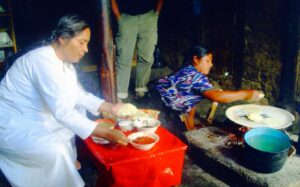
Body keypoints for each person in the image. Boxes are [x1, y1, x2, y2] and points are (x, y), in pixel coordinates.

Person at [0, 14, 130, 187]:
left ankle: (67, 166)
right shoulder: (41, 61)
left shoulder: (64, 65)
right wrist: (106, 133)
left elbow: (79, 95)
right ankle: (63, 176)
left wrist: (112, 107)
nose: (86, 49)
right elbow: (62, 112)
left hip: (35, 119)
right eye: (82, 42)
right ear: (62, 39)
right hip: (13, 126)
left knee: (77, 112)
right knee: (57, 151)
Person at [156, 45, 264, 130]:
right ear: (196, 59)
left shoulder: (186, 69)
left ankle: (189, 130)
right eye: (207, 61)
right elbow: (216, 96)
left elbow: (189, 106)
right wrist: (246, 94)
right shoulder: (195, 76)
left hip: (154, 97)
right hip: (156, 109)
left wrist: (191, 129)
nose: (211, 65)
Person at [111, 0, 164, 100]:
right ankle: (120, 94)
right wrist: (118, 16)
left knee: (147, 57)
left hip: (149, 17)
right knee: (123, 58)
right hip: (126, 18)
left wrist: (156, 13)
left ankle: (141, 90)